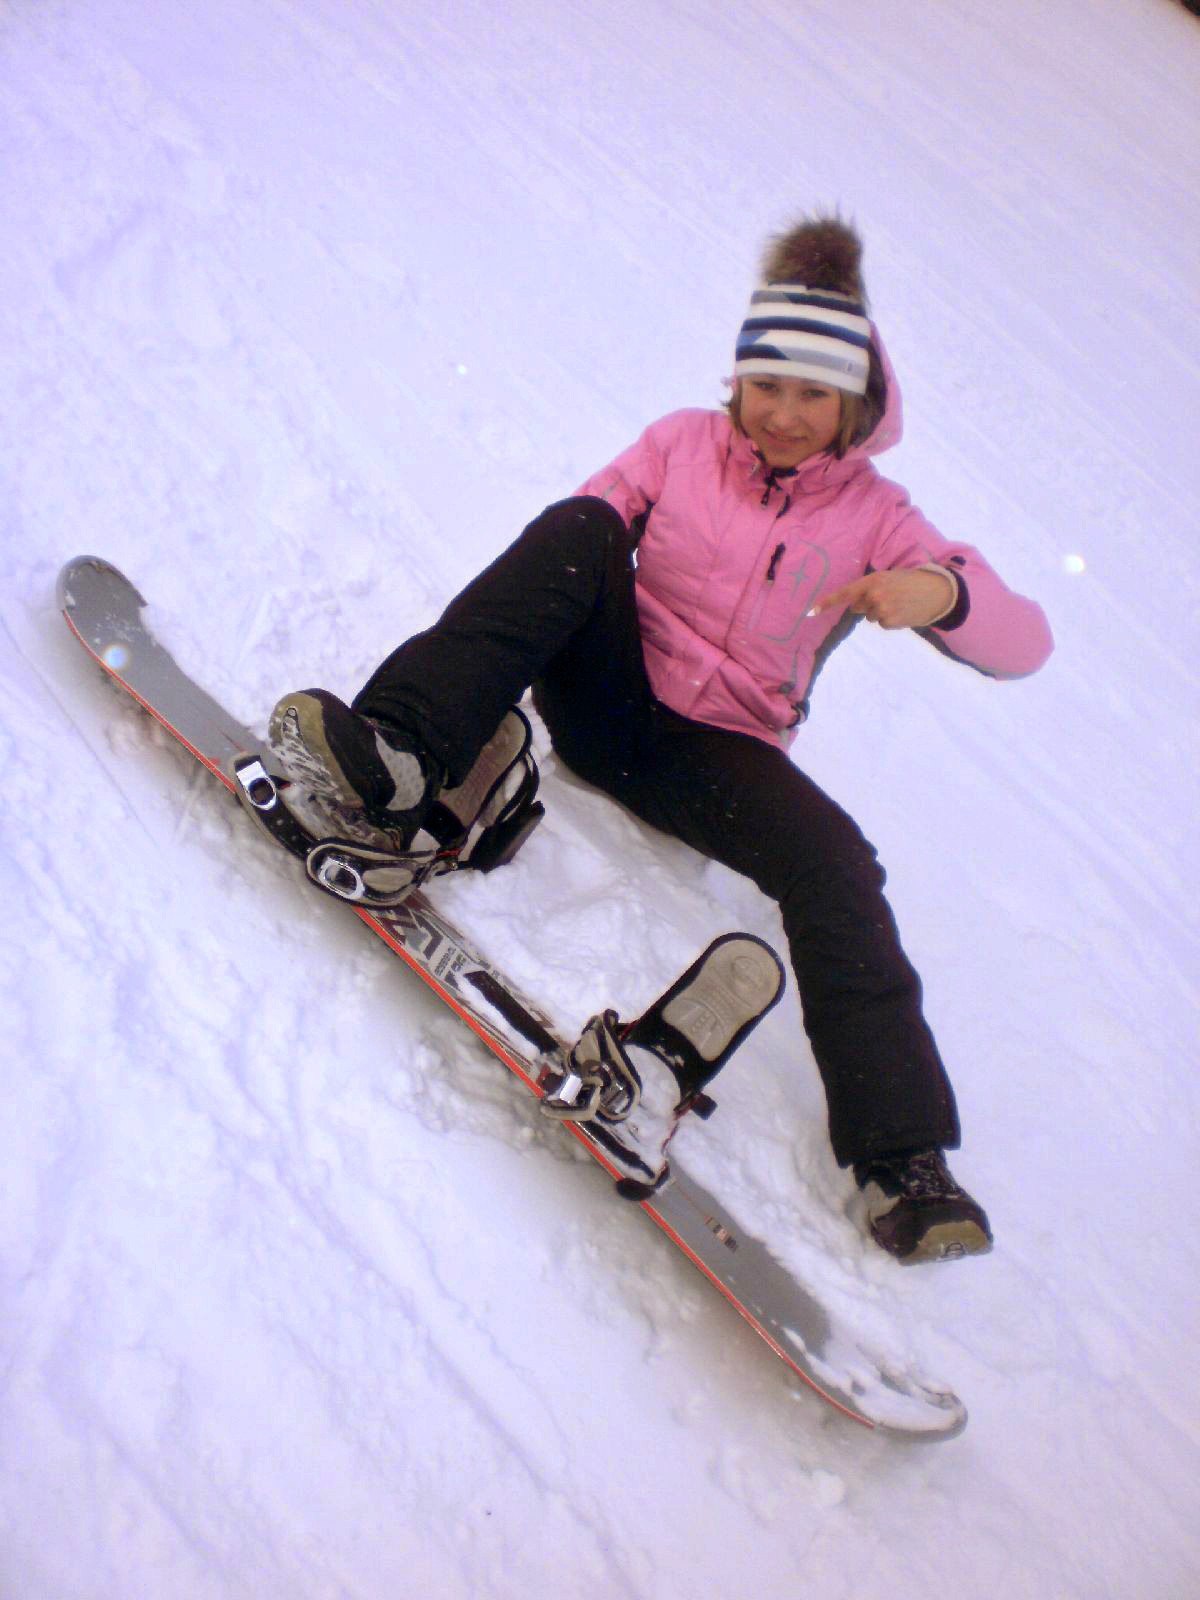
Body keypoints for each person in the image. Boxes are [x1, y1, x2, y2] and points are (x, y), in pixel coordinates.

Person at [262, 215, 1053, 1263]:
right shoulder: (682, 443)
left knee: (837, 860)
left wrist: (940, 592)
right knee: (580, 528)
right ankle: (398, 759)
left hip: (717, 757)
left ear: (854, 405)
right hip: (606, 698)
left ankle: (902, 1161)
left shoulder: (878, 517)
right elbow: (567, 550)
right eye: (765, 384)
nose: (782, 412)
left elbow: (1025, 642)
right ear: (738, 378)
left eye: (813, 394)